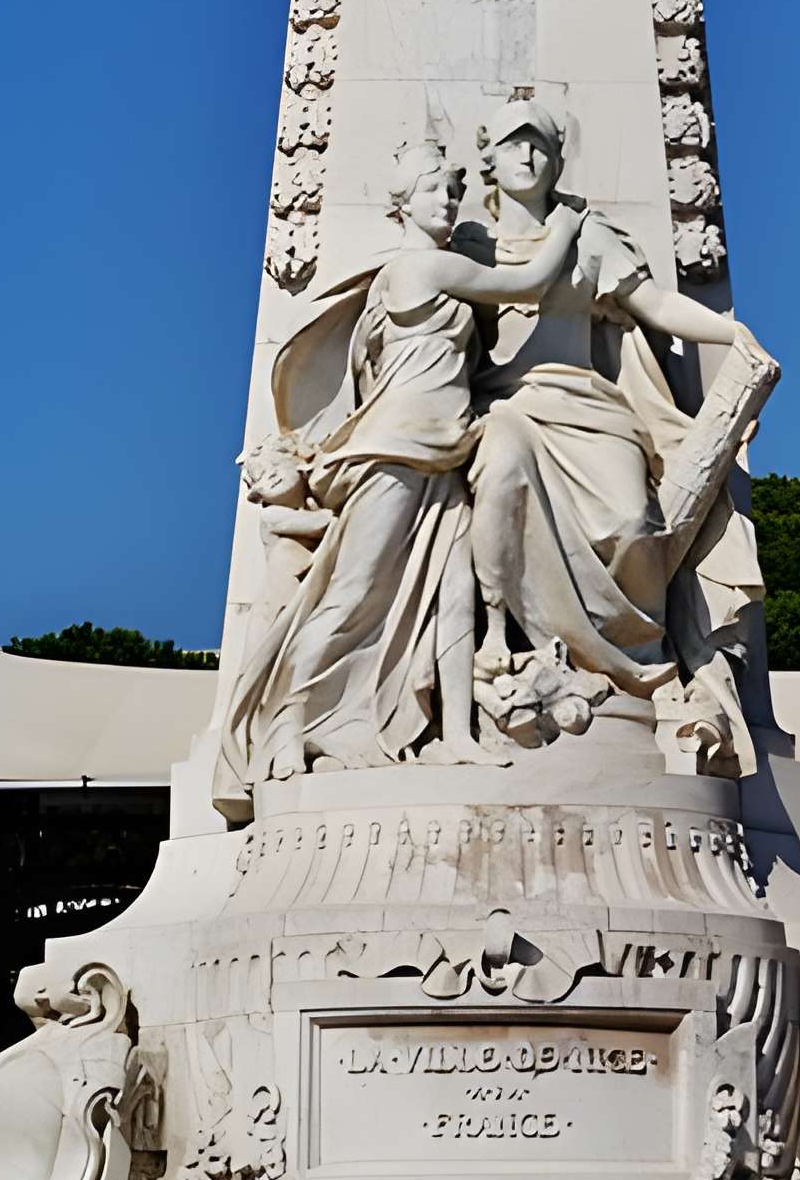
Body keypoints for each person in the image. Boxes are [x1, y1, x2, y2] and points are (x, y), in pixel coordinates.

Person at [222, 139, 585, 780]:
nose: (447, 201)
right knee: (353, 592)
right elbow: (524, 282)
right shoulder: (420, 268)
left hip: (445, 450)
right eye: (433, 190)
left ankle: (457, 733)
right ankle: (284, 725)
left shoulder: (420, 276)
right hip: (398, 449)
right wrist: (564, 222)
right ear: (404, 205)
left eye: (452, 190)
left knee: (454, 593)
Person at [467, 99, 768, 702]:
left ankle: (629, 660)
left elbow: (654, 304)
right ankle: (505, 641)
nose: (526, 157)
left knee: (634, 520)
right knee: (500, 468)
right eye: (511, 145)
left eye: (539, 146)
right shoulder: (470, 248)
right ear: (489, 161)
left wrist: (734, 334)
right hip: (510, 408)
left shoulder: (589, 236)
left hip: (589, 406)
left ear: (556, 159)